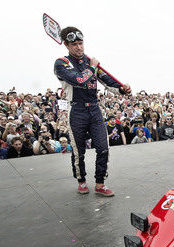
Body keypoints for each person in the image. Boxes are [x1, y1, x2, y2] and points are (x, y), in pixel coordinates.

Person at [54, 26, 131, 196]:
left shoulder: (89, 62)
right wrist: (92, 67)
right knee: (78, 151)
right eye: (74, 44)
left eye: (81, 43)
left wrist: (122, 89)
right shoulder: (62, 63)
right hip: (76, 110)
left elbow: (108, 82)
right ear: (66, 45)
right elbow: (79, 80)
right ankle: (81, 181)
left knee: (103, 147)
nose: (79, 47)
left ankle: (100, 183)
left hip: (94, 109)